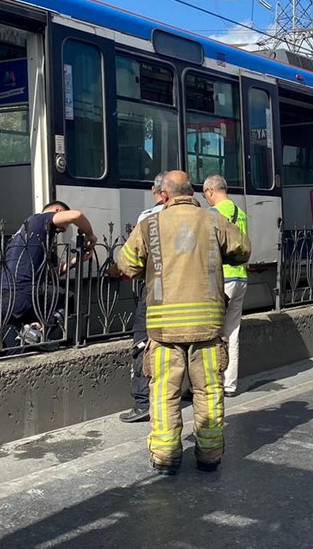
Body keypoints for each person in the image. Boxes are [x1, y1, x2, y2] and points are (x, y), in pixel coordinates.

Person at [116, 170, 251, 475]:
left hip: (164, 330)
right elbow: (243, 249)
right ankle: (210, 454)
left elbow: (125, 263)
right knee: (209, 392)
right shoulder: (214, 220)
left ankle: (165, 456)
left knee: (164, 393)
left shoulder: (149, 224)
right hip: (207, 327)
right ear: (192, 192)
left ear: (164, 195)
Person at [0, 201, 97, 351]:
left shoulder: (21, 235)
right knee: (69, 299)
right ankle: (38, 328)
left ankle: (29, 335)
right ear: (58, 211)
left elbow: (46, 276)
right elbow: (76, 215)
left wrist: (74, 262)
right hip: (22, 292)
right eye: (61, 229)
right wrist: (90, 234)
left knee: (18, 351)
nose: (59, 232)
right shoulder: (39, 219)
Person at [118, 173, 166, 423]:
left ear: (158, 191)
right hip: (192, 291)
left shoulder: (148, 217)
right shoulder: (203, 217)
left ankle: (142, 402)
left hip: (155, 288)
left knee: (143, 341)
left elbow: (130, 261)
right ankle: (184, 392)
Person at [202, 174, 248, 398]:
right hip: (241, 278)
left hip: (221, 279)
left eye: (205, 195)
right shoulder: (242, 214)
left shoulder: (212, 214)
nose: (206, 199)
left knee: (212, 333)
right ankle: (230, 384)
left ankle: (212, 383)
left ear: (211, 191)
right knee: (232, 332)